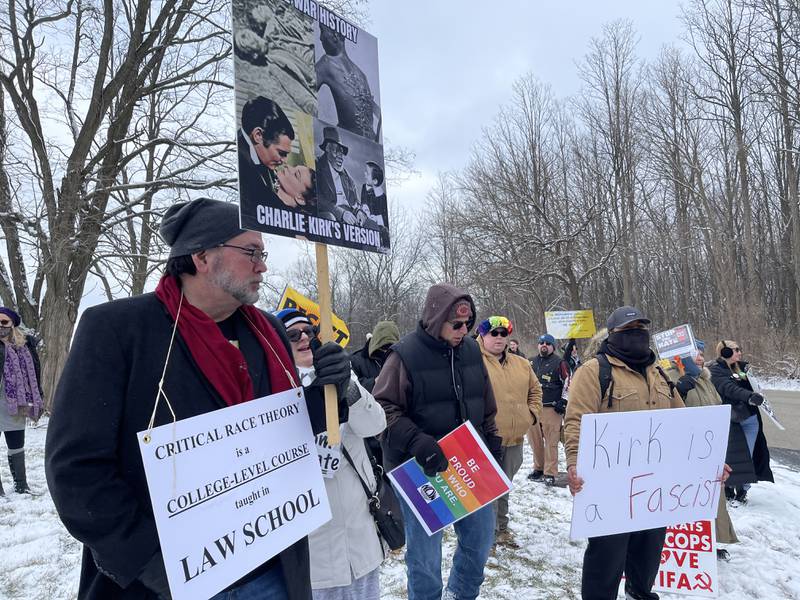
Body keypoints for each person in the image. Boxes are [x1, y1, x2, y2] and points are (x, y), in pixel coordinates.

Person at [45, 198, 352, 600]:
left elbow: (278, 435)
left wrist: (328, 392)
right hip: (165, 581)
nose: (262, 265)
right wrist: (149, 562)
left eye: (264, 254)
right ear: (202, 255)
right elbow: (76, 468)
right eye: (251, 252)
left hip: (272, 571)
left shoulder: (271, 336)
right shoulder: (118, 330)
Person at [373, 283, 502, 600]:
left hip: (467, 463)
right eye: (456, 324)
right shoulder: (404, 355)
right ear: (435, 319)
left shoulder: (471, 351)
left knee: (480, 539)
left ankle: (462, 593)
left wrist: (492, 440)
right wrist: (417, 441)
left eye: (467, 324)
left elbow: (484, 402)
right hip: (420, 468)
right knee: (425, 557)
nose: (463, 330)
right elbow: (381, 410)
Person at [564, 306, 688, 600]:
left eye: (642, 329)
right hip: (611, 486)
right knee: (607, 555)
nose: (637, 335)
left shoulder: (659, 373)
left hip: (654, 486)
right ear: (613, 334)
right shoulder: (593, 371)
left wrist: (706, 465)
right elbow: (576, 420)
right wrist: (573, 464)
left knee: (649, 550)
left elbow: (684, 423)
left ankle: (639, 592)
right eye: (629, 330)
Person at [275, 309, 386, 600]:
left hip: (359, 538)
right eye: (292, 335)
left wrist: (347, 388)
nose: (303, 338)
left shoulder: (342, 374)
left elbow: (375, 425)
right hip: (315, 550)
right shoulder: (272, 390)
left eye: (309, 332)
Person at [664, 344, 739, 561]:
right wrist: (681, 388)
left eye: (701, 353)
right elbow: (667, 408)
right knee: (686, 498)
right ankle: (682, 543)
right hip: (683, 451)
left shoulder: (705, 378)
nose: (699, 358)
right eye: (694, 353)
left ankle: (708, 541)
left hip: (708, 450)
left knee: (710, 498)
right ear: (680, 357)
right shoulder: (670, 377)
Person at [476, 316, 541, 545]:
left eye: (504, 334)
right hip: (485, 440)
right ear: (482, 336)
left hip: (514, 439)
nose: (500, 338)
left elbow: (535, 391)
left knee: (504, 486)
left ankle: (502, 529)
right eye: (494, 333)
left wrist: (530, 415)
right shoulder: (473, 361)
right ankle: (486, 534)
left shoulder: (521, 364)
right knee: (486, 491)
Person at [709, 340, 773, 505]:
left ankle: (743, 490)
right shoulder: (715, 370)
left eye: (739, 349)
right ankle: (728, 489)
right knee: (731, 457)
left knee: (748, 457)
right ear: (725, 353)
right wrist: (749, 396)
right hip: (731, 420)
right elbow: (728, 387)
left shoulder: (742, 368)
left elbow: (754, 387)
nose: (739, 353)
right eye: (735, 350)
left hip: (750, 420)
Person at [0, 307, 44, 496]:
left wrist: (38, 395)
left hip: (16, 403)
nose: (0, 326)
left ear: (12, 324)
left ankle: (21, 484)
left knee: (16, 443)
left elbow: (35, 372)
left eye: (4, 322)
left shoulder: (25, 346)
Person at [315, 25, 381, 141]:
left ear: (335, 35)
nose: (320, 38)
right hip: (349, 143)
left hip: (366, 145)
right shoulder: (326, 64)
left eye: (322, 31)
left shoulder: (360, 74)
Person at [238, 96, 296, 225]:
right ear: (258, 135)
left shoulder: (262, 161)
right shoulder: (242, 164)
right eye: (281, 153)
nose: (284, 161)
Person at [527, 333, 567, 486]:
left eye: (548, 343)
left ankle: (550, 472)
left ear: (552, 347)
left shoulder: (560, 362)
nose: (544, 345)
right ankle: (539, 468)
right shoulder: (530, 362)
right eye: (541, 342)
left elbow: (568, 383)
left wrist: (563, 400)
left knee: (551, 442)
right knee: (534, 441)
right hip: (533, 408)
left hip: (552, 408)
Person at [315, 127, 360, 224]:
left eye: (342, 152)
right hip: (332, 212)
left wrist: (360, 212)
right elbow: (317, 197)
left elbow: (356, 202)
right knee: (330, 219)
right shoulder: (317, 165)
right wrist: (341, 213)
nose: (340, 157)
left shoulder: (347, 177)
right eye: (336, 151)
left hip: (350, 215)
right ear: (327, 149)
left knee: (372, 225)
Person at [350, 321, 400, 393]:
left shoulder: (400, 359)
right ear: (376, 343)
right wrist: (374, 382)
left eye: (390, 347)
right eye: (384, 347)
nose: (386, 351)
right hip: (368, 403)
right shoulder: (355, 360)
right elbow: (349, 389)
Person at [358, 161, 388, 228]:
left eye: (368, 173)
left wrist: (376, 219)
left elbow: (385, 220)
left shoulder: (382, 198)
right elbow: (363, 204)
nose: (365, 174)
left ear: (375, 181)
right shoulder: (364, 188)